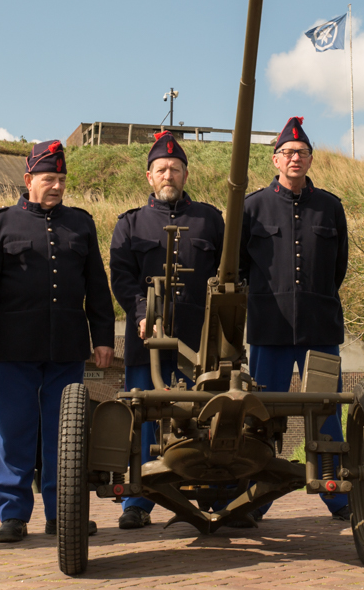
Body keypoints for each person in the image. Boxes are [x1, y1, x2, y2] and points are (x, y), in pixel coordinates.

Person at [0, 140, 114, 542]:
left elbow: (97, 287)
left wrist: (103, 337)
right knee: (13, 432)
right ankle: (13, 515)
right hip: (14, 347)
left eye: (62, 179)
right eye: (49, 179)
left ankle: (61, 514)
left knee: (64, 435)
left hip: (66, 347)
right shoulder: (0, 224)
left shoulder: (80, 224)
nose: (57, 186)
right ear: (29, 179)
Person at [109, 131, 224, 529]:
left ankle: (199, 495)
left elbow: (228, 274)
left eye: (175, 169)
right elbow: (122, 278)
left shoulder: (210, 219)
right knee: (143, 417)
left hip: (198, 339)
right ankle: (139, 500)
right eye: (161, 169)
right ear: (149, 176)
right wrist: (141, 311)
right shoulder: (130, 224)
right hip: (148, 339)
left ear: (186, 174)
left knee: (201, 418)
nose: (168, 175)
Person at [239, 116, 349, 522]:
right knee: (261, 416)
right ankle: (257, 499)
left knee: (326, 412)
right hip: (270, 329)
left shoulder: (330, 207)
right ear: (275, 160)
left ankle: (337, 497)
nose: (294, 159)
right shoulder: (253, 207)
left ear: (310, 159)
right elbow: (238, 267)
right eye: (287, 153)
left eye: (301, 153)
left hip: (320, 329)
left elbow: (338, 267)